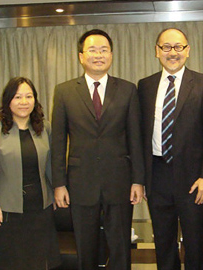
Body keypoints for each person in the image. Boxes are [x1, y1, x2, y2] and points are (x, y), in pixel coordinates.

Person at [52, 29, 145, 270]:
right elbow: (58, 141)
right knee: (85, 248)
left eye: (104, 50)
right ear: (81, 56)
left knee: (120, 247)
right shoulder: (64, 91)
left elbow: (135, 138)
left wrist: (138, 180)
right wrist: (59, 183)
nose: (98, 55)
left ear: (112, 55)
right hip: (80, 181)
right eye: (92, 50)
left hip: (119, 181)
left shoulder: (127, 89)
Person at [138, 28, 203, 270]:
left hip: (193, 179)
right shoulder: (145, 86)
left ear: (188, 50)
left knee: (195, 244)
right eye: (166, 47)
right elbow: (139, 135)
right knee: (163, 243)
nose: (172, 52)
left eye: (179, 47)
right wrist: (140, 178)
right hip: (157, 175)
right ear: (157, 51)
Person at [0, 77, 60, 270]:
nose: (24, 102)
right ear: (8, 101)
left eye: (28, 96)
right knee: (11, 261)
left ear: (35, 100)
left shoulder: (45, 128)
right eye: (17, 97)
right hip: (7, 208)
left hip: (40, 205)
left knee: (39, 260)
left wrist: (57, 191)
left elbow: (51, 164)